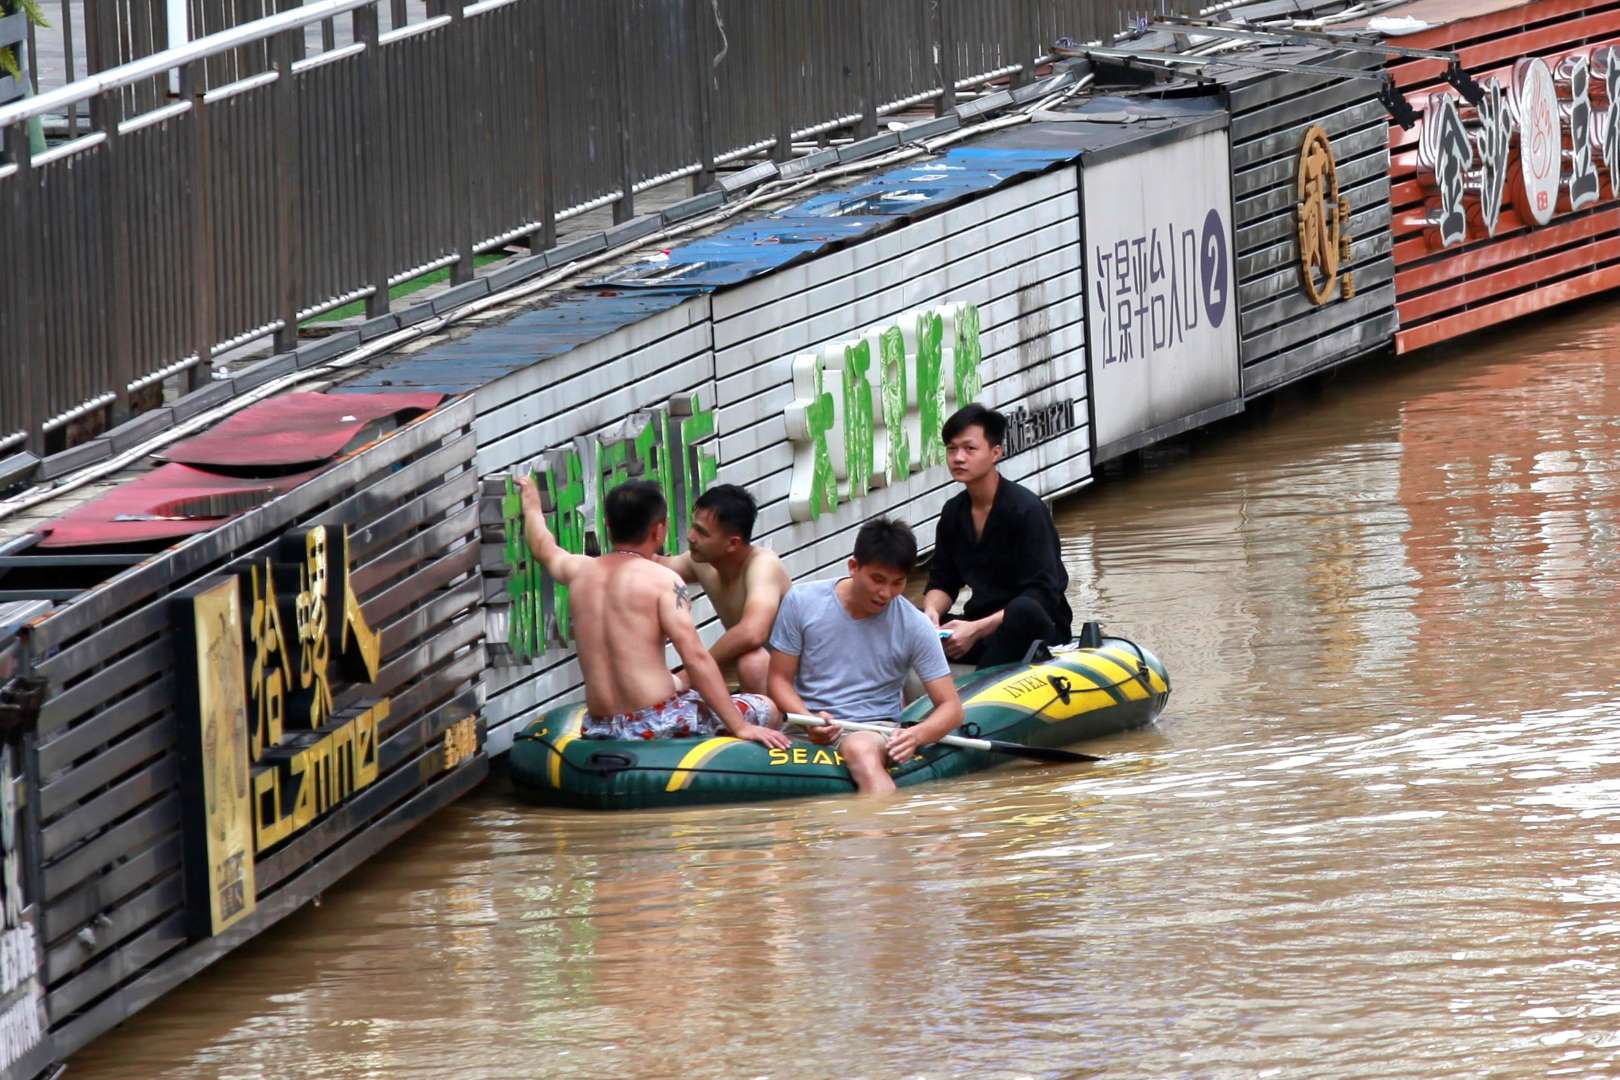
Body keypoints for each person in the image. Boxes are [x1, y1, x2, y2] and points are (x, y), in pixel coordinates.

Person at [515, 475, 791, 748]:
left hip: (599, 724)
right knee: (765, 706)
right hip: (658, 720)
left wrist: (531, 504)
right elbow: (695, 657)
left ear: (608, 525)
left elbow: (544, 547)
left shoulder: (578, 571)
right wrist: (740, 726)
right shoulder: (666, 582)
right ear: (659, 531)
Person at [767, 518, 963, 795]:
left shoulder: (915, 625)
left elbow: (951, 708)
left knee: (859, 748)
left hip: (871, 729)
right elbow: (778, 680)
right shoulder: (802, 601)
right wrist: (806, 718)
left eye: (898, 583)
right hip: (807, 722)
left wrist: (915, 735)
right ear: (853, 566)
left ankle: (879, 832)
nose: (886, 593)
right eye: (877, 580)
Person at [922, 403, 1073, 668]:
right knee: (903, 613)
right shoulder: (953, 513)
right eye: (951, 449)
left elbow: (1043, 595)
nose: (958, 458)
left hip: (1034, 630)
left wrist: (977, 629)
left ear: (995, 453)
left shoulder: (1027, 511)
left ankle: (977, 696)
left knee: (1023, 611)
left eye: (969, 449)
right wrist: (930, 614)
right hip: (980, 624)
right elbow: (943, 580)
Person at [658, 484, 789, 694]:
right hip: (739, 671)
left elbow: (752, 632)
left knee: (752, 662)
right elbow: (652, 565)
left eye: (701, 532)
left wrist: (691, 673)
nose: (690, 537)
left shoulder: (763, 565)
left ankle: (773, 725)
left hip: (789, 678)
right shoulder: (702, 562)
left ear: (733, 543)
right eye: (693, 527)